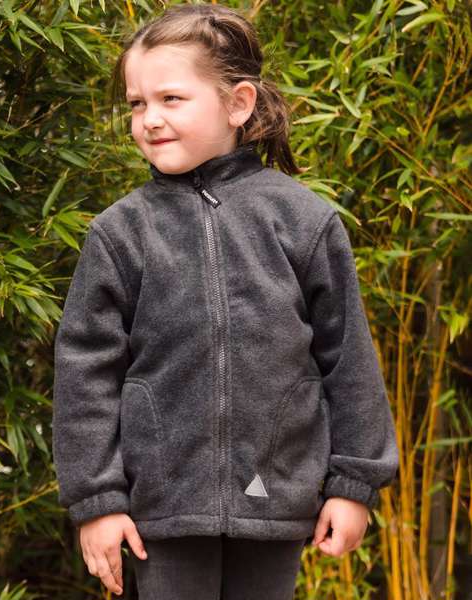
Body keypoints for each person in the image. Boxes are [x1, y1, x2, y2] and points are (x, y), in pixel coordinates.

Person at [51, 3, 399, 599]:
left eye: (171, 99)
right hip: (161, 507)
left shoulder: (303, 220)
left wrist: (353, 485)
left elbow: (349, 361)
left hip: (276, 495)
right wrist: (97, 501)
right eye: (136, 104)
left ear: (238, 104)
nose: (149, 120)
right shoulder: (120, 233)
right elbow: (86, 373)